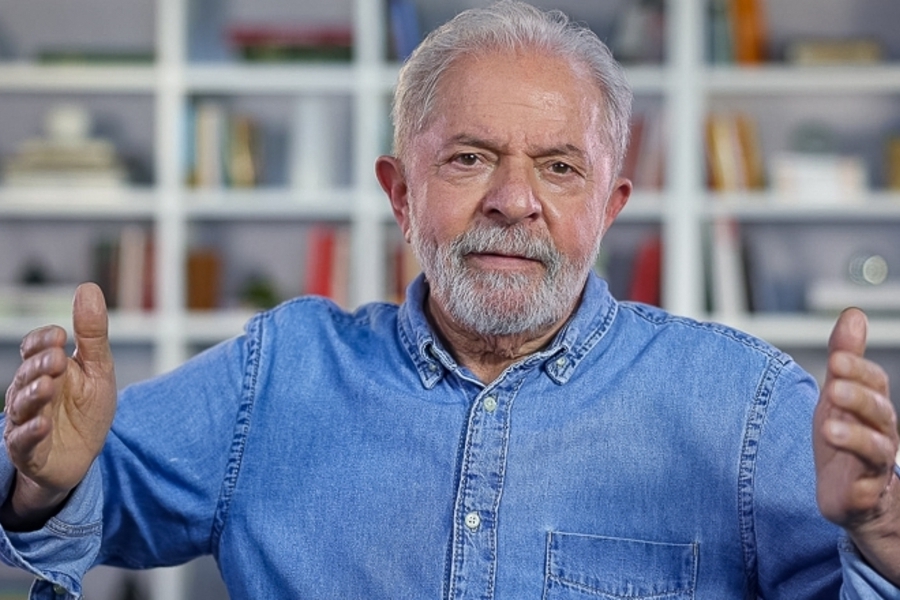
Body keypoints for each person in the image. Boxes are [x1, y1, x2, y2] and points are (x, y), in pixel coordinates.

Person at [2, 1, 900, 598]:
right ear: (401, 193)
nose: (515, 200)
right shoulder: (276, 375)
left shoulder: (744, 405)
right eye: (470, 158)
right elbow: (83, 499)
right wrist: (45, 480)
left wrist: (884, 540)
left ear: (610, 207)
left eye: (559, 167)